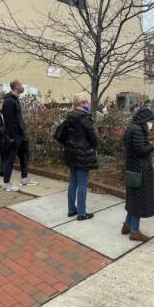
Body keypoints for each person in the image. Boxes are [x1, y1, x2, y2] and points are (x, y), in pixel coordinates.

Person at [122, 107, 154, 242]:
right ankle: (134, 231)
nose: (150, 124)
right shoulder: (137, 130)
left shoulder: (131, 128)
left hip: (132, 169)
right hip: (139, 171)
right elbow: (141, 150)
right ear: (144, 120)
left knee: (133, 198)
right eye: (150, 121)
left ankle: (127, 225)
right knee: (138, 200)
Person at [61, 92, 99, 221]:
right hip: (82, 153)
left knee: (73, 182)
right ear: (81, 103)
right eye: (86, 102)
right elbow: (92, 136)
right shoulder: (84, 117)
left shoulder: (70, 116)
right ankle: (82, 213)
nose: (88, 103)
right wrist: (95, 145)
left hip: (71, 153)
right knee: (83, 183)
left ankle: (72, 209)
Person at [1, 80, 38, 190]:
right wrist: (11, 137)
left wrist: (22, 132)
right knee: (10, 159)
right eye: (21, 85)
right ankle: (6, 184)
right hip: (14, 136)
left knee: (24, 156)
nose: (22, 87)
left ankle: (24, 179)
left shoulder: (16, 100)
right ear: (16, 87)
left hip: (21, 135)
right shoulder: (8, 101)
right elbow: (8, 121)